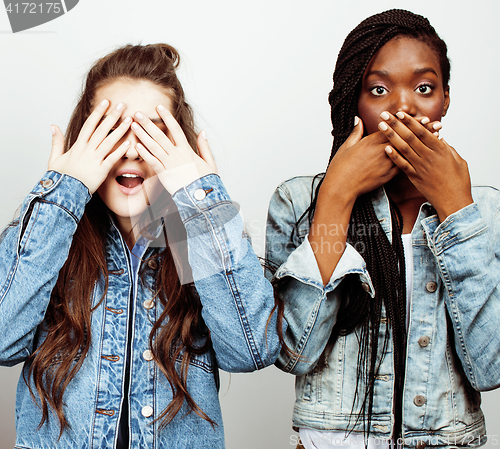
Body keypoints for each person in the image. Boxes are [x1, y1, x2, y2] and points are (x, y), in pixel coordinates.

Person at [0, 43, 283, 448]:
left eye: (151, 134)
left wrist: (202, 202)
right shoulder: (50, 241)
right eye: (113, 131)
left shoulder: (202, 241)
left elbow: (252, 350)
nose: (132, 150)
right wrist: (63, 192)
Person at [266, 9, 500, 449]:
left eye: (424, 88)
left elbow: (492, 368)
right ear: (354, 103)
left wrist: (456, 211)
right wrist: (336, 197)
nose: (403, 107)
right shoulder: (298, 201)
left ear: (445, 99)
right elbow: (293, 353)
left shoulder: (486, 211)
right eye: (378, 89)